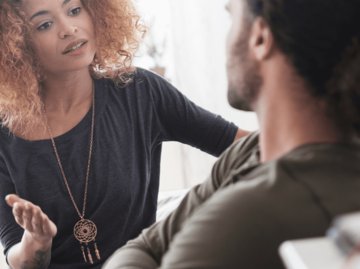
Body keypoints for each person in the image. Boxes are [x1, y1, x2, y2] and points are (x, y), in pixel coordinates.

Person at [102, 0, 360, 268]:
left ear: (260, 37)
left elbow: (144, 248)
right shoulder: (248, 151)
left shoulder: (241, 221)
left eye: (231, 19)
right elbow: (144, 245)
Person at [0, 0, 248, 268]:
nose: (69, 29)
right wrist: (37, 240)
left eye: (74, 10)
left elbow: (240, 144)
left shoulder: (138, 91)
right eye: (45, 24)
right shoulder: (4, 137)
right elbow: (19, 259)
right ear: (16, 46)